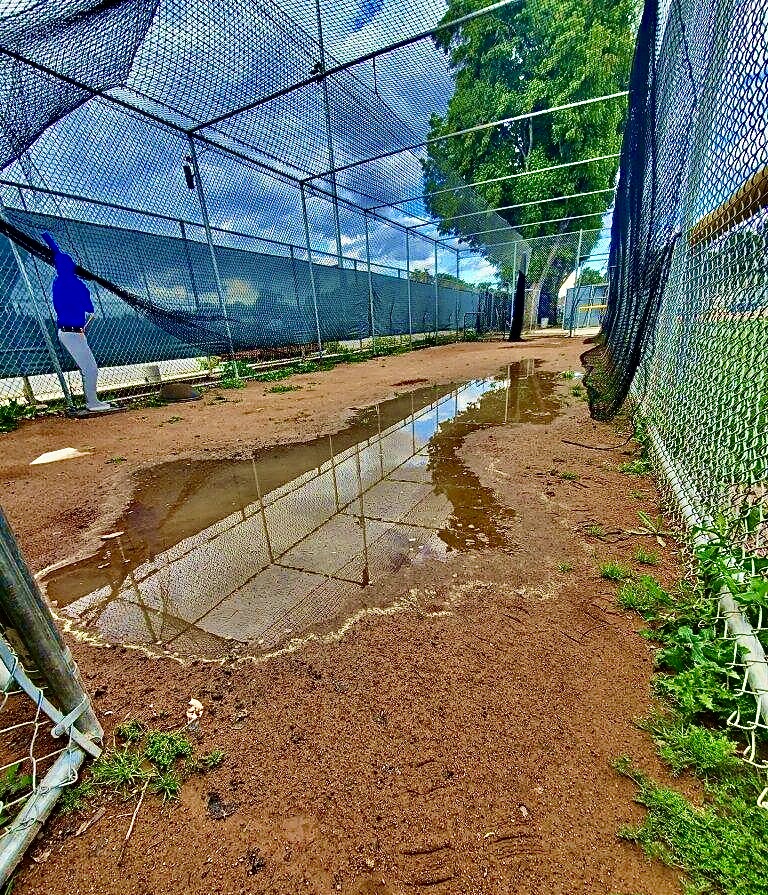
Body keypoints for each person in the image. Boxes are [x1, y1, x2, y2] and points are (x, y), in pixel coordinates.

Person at [41, 232, 112, 412]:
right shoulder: (75, 284)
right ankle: (92, 402)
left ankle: (92, 401)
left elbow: (58, 255)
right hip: (72, 332)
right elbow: (89, 307)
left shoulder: (59, 282)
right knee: (90, 368)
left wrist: (48, 239)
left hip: (72, 331)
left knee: (88, 367)